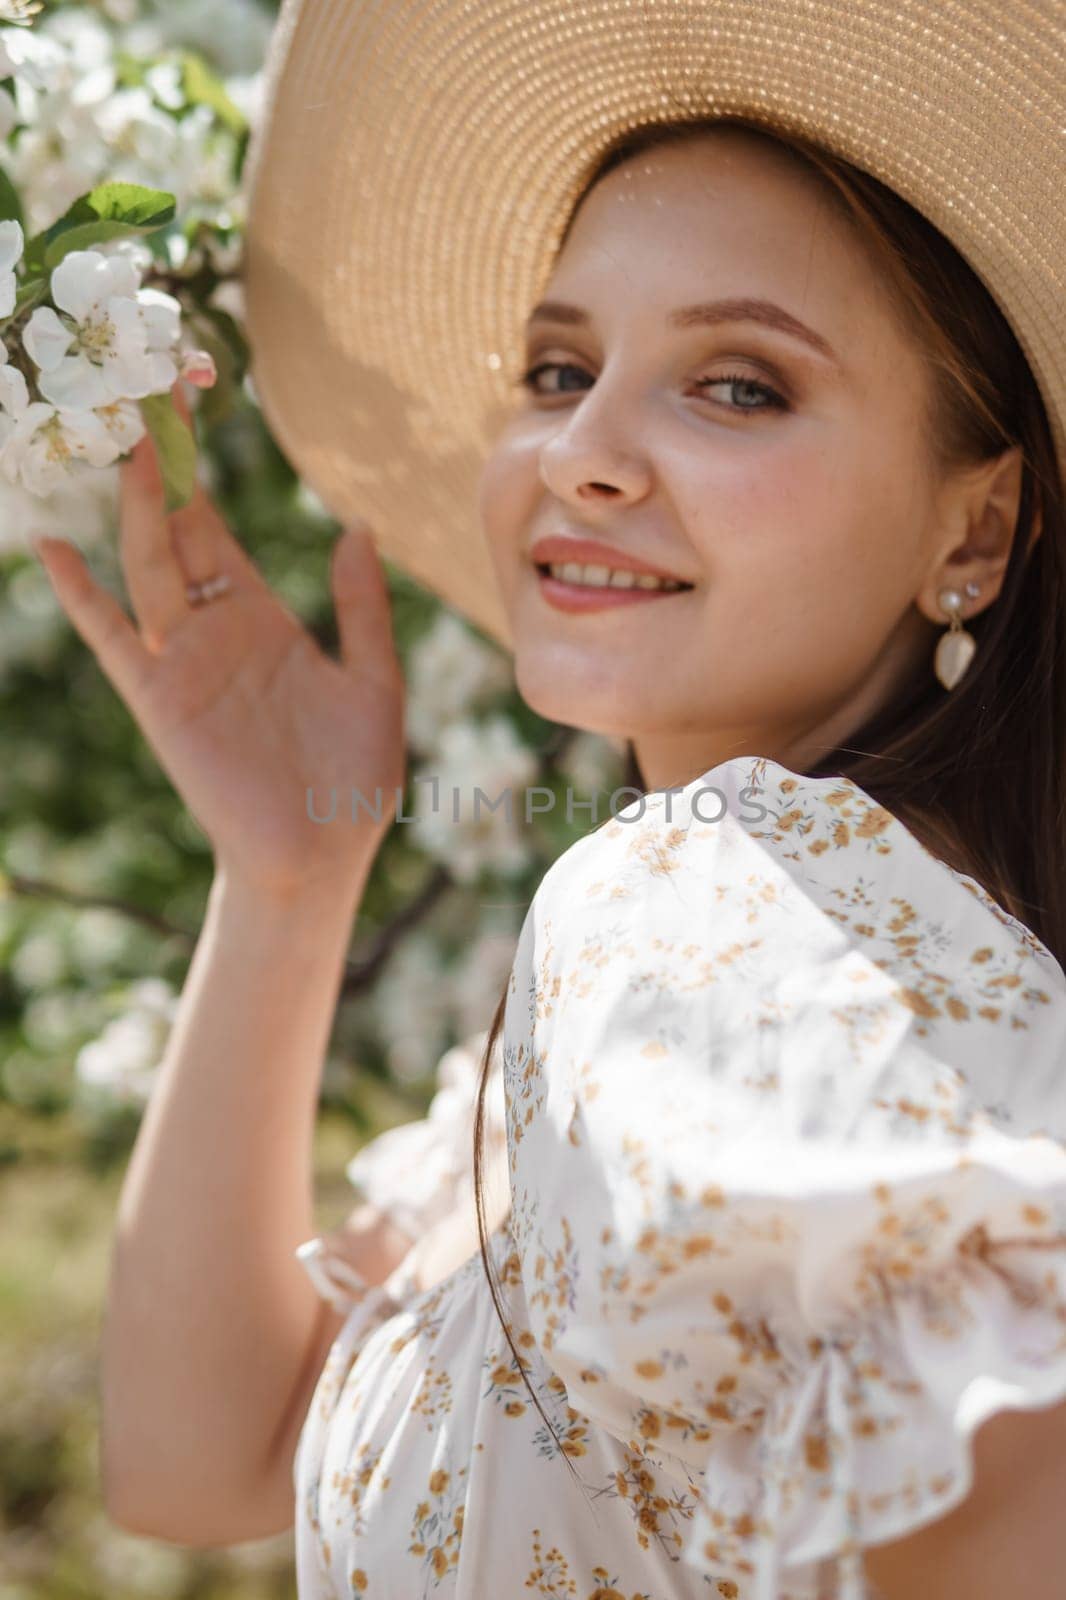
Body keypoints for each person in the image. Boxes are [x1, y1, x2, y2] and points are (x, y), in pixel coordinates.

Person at [33, 0, 1066, 1596]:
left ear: (975, 534)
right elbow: (199, 1458)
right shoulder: (714, 959)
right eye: (558, 366)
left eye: (737, 386)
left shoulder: (701, 904)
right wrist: (290, 875)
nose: (581, 448)